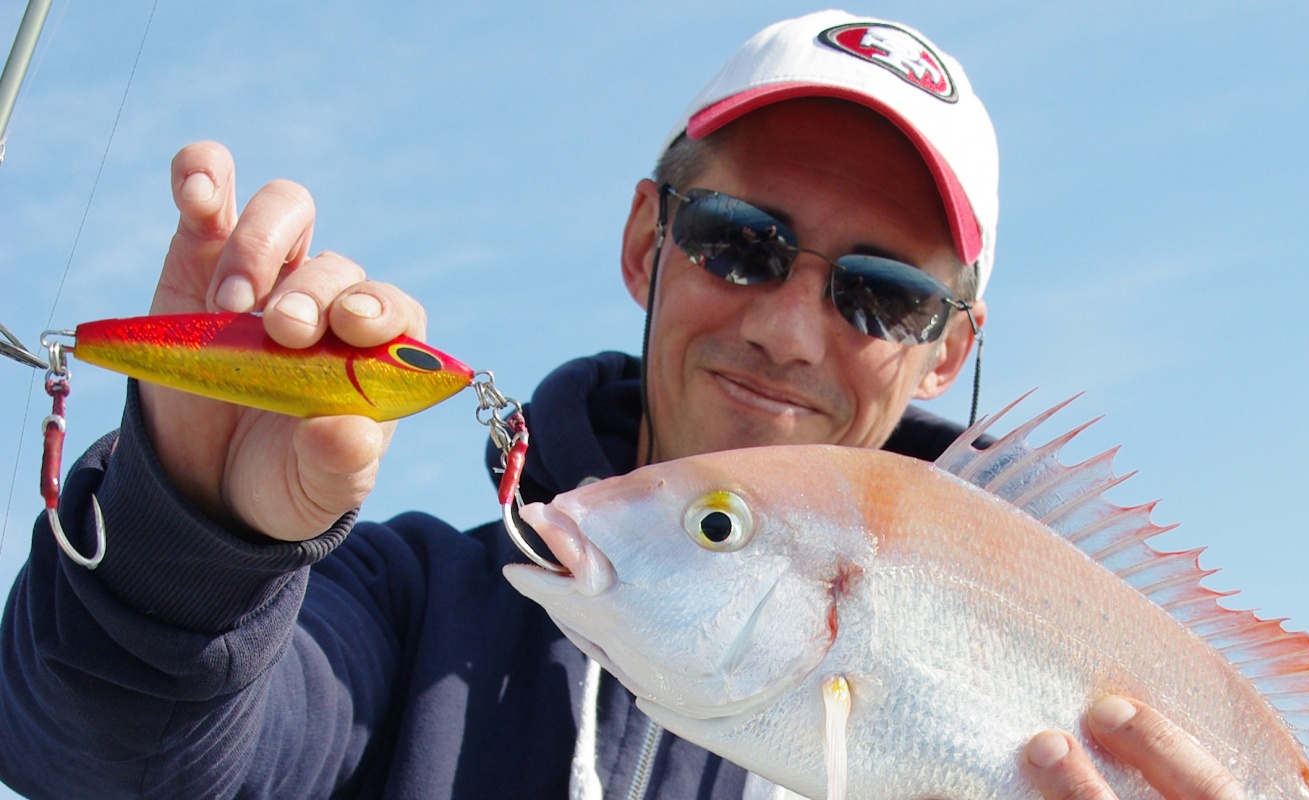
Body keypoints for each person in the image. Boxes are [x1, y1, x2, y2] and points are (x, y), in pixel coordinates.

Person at [0, 11, 1243, 800]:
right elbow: (105, 761)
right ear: (649, 240)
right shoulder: (410, 611)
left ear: (943, 353)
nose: (787, 325)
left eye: (878, 294)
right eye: (741, 242)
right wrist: (187, 543)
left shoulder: (1032, 586)